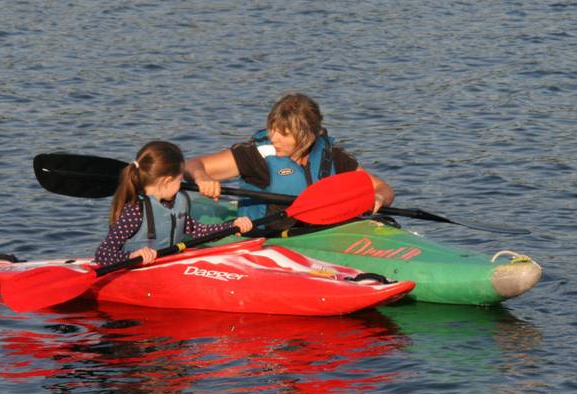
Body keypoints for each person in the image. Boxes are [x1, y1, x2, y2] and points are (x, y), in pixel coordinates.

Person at [185, 93, 395, 224]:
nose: (273, 138)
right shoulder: (259, 155)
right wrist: (202, 177)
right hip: (267, 236)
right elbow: (192, 165)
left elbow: (382, 188)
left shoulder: (332, 157)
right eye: (272, 129)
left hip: (325, 233)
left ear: (308, 135)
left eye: (284, 134)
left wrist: (378, 198)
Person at [94, 141, 253, 266]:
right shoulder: (135, 211)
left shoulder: (176, 205)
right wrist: (131, 256)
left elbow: (201, 231)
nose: (181, 185)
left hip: (164, 266)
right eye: (179, 180)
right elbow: (103, 253)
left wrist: (232, 226)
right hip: (133, 271)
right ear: (167, 181)